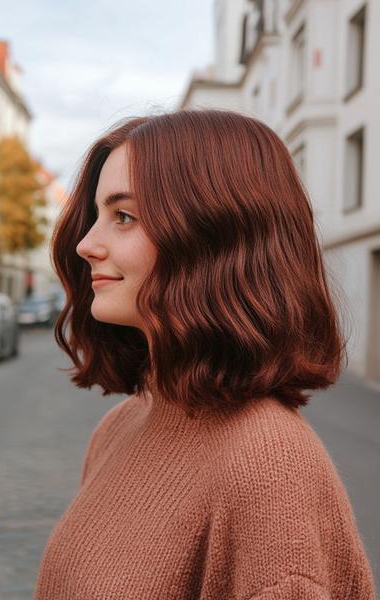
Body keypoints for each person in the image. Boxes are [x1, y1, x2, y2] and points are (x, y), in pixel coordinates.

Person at [34, 109, 376, 599]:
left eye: (123, 216)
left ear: (212, 238)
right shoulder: (120, 426)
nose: (87, 244)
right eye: (97, 217)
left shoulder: (269, 468)